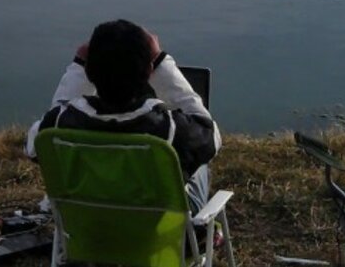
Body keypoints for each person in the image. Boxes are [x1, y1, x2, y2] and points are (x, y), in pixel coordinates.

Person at [26, 19, 220, 214]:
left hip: (89, 236)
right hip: (155, 238)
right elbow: (211, 135)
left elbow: (37, 144)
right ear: (149, 72)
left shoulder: (59, 127)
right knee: (199, 159)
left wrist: (78, 69)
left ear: (89, 72)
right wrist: (161, 62)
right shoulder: (168, 130)